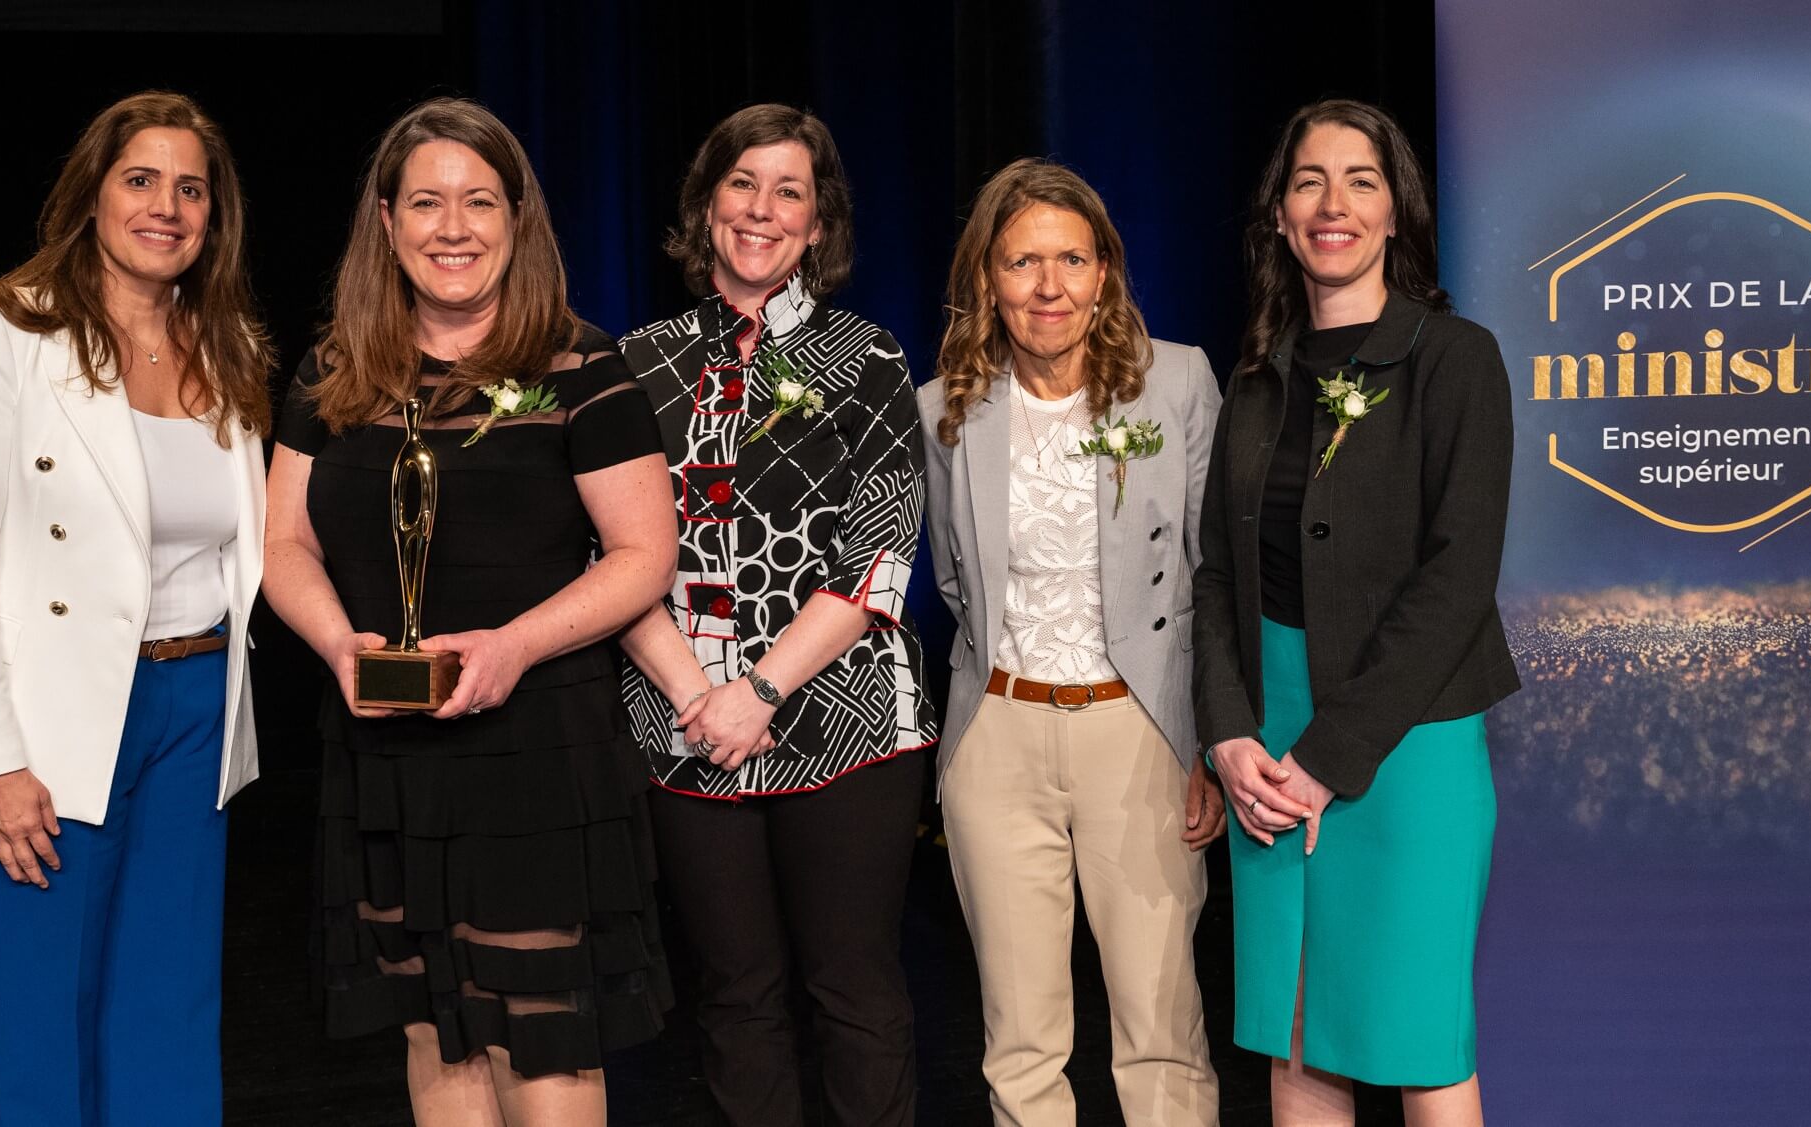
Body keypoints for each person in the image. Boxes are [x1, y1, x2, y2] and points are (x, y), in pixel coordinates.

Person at [261, 97, 676, 1125]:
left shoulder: (581, 364)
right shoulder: (331, 371)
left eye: (479, 201)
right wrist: (338, 644)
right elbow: (283, 543)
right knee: (431, 1016)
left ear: (516, 217)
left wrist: (514, 645)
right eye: (429, 203)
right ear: (388, 222)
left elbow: (642, 555)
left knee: (541, 1027)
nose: (455, 227)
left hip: (536, 749)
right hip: (386, 750)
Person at [0, 91, 272, 1125]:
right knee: (46, 1011)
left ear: (216, 213)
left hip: (196, 704)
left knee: (168, 1005)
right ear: (95, 194)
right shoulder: (4, 325)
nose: (167, 206)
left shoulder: (228, 342)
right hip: (49, 720)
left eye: (191, 187)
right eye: (141, 179)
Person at [1191, 98, 1521, 1125]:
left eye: (1360, 181)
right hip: (1266, 744)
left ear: (1395, 213)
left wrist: (1329, 756)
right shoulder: (1254, 375)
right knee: (1297, 1042)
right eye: (1308, 182)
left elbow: (1458, 576)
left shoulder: (1454, 358)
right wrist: (1228, 733)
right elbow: (1212, 574)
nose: (1332, 204)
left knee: (1419, 1042)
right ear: (1280, 216)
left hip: (1406, 738)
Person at [614, 103, 937, 1126]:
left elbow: (878, 560)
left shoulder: (869, 358)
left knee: (854, 988)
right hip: (682, 725)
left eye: (787, 190)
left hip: (842, 721)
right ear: (707, 203)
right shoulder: (632, 363)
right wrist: (698, 695)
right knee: (734, 995)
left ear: (817, 220)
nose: (761, 208)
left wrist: (757, 690)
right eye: (742, 183)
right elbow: (608, 556)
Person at [917, 158, 1228, 1126]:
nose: (1048, 287)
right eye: (1021, 263)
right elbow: (957, 582)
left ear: (1105, 271)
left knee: (1160, 1029)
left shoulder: (1176, 379)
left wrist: (1204, 742)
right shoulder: (945, 408)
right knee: (1019, 1039)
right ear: (986, 280)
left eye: (1071, 259)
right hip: (998, 735)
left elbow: (1211, 576)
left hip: (1137, 731)